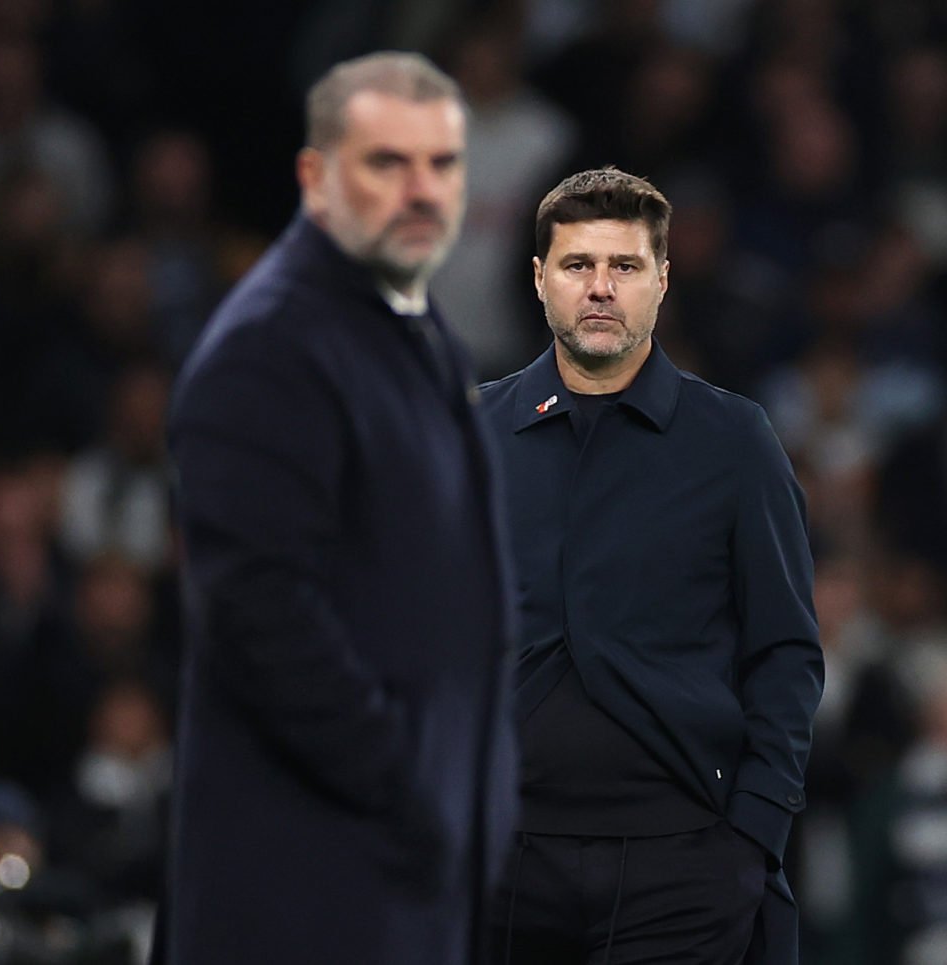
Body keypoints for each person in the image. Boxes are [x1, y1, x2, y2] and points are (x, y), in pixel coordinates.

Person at [160, 52, 518, 965]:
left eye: (442, 164)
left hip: (404, 883)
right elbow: (260, 609)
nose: (422, 190)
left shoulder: (416, 330)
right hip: (309, 888)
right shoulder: (271, 345)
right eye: (386, 163)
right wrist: (405, 785)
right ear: (315, 177)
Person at [480, 167, 823, 964]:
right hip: (494, 866)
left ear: (663, 280)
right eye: (577, 265)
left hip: (684, 871)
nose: (600, 288)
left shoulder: (734, 441)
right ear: (539, 279)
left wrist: (753, 836)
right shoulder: (470, 439)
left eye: (625, 267)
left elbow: (785, 651)